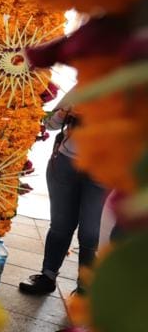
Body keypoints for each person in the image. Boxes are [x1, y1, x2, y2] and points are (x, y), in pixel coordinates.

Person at [19, 107, 107, 297]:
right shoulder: (81, 90)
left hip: (104, 170)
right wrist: (63, 113)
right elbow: (49, 123)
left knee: (90, 233)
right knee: (60, 225)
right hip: (66, 163)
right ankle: (47, 276)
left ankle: (85, 290)